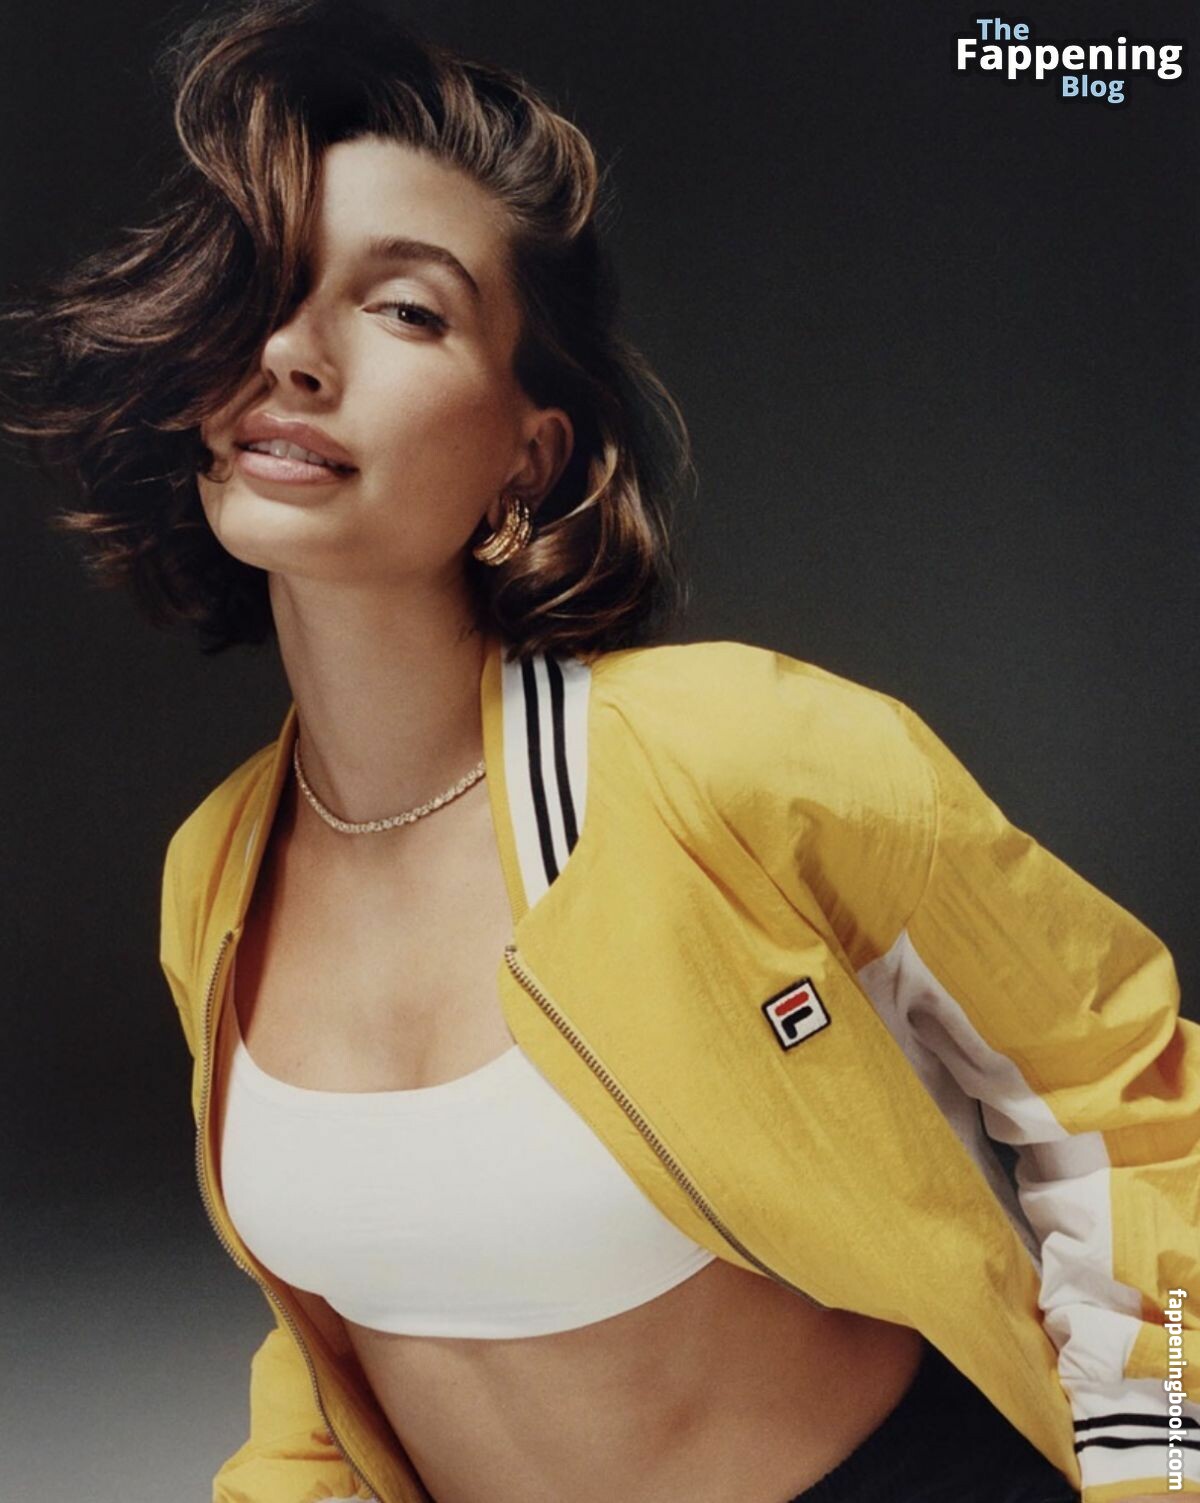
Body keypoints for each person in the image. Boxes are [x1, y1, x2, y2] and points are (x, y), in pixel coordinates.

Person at [1, 2, 1196, 1501]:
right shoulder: (219, 873)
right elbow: (334, 1350)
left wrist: (1157, 1462)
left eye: (407, 310)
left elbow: (1126, 1095)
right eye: (265, 290)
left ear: (532, 449)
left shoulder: (737, 758)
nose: (294, 352)